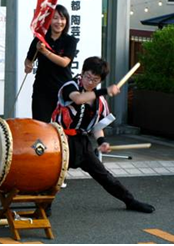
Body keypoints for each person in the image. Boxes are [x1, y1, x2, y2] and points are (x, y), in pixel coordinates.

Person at [51, 56, 155, 214]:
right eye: (87, 76)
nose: (89, 82)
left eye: (95, 79)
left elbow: (97, 127)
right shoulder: (70, 86)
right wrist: (105, 91)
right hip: (59, 140)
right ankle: (43, 207)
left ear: (100, 80)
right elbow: (78, 99)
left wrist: (102, 141)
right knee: (51, 177)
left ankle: (130, 200)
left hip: (81, 142)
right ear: (82, 72)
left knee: (103, 175)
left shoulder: (100, 102)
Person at [25, 4, 77, 122]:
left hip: (63, 89)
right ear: (48, 20)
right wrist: (28, 65)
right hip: (42, 90)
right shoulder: (40, 39)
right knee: (40, 125)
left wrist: (45, 52)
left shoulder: (70, 41)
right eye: (55, 18)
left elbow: (64, 62)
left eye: (62, 18)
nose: (59, 22)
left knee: (62, 126)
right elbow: (29, 59)